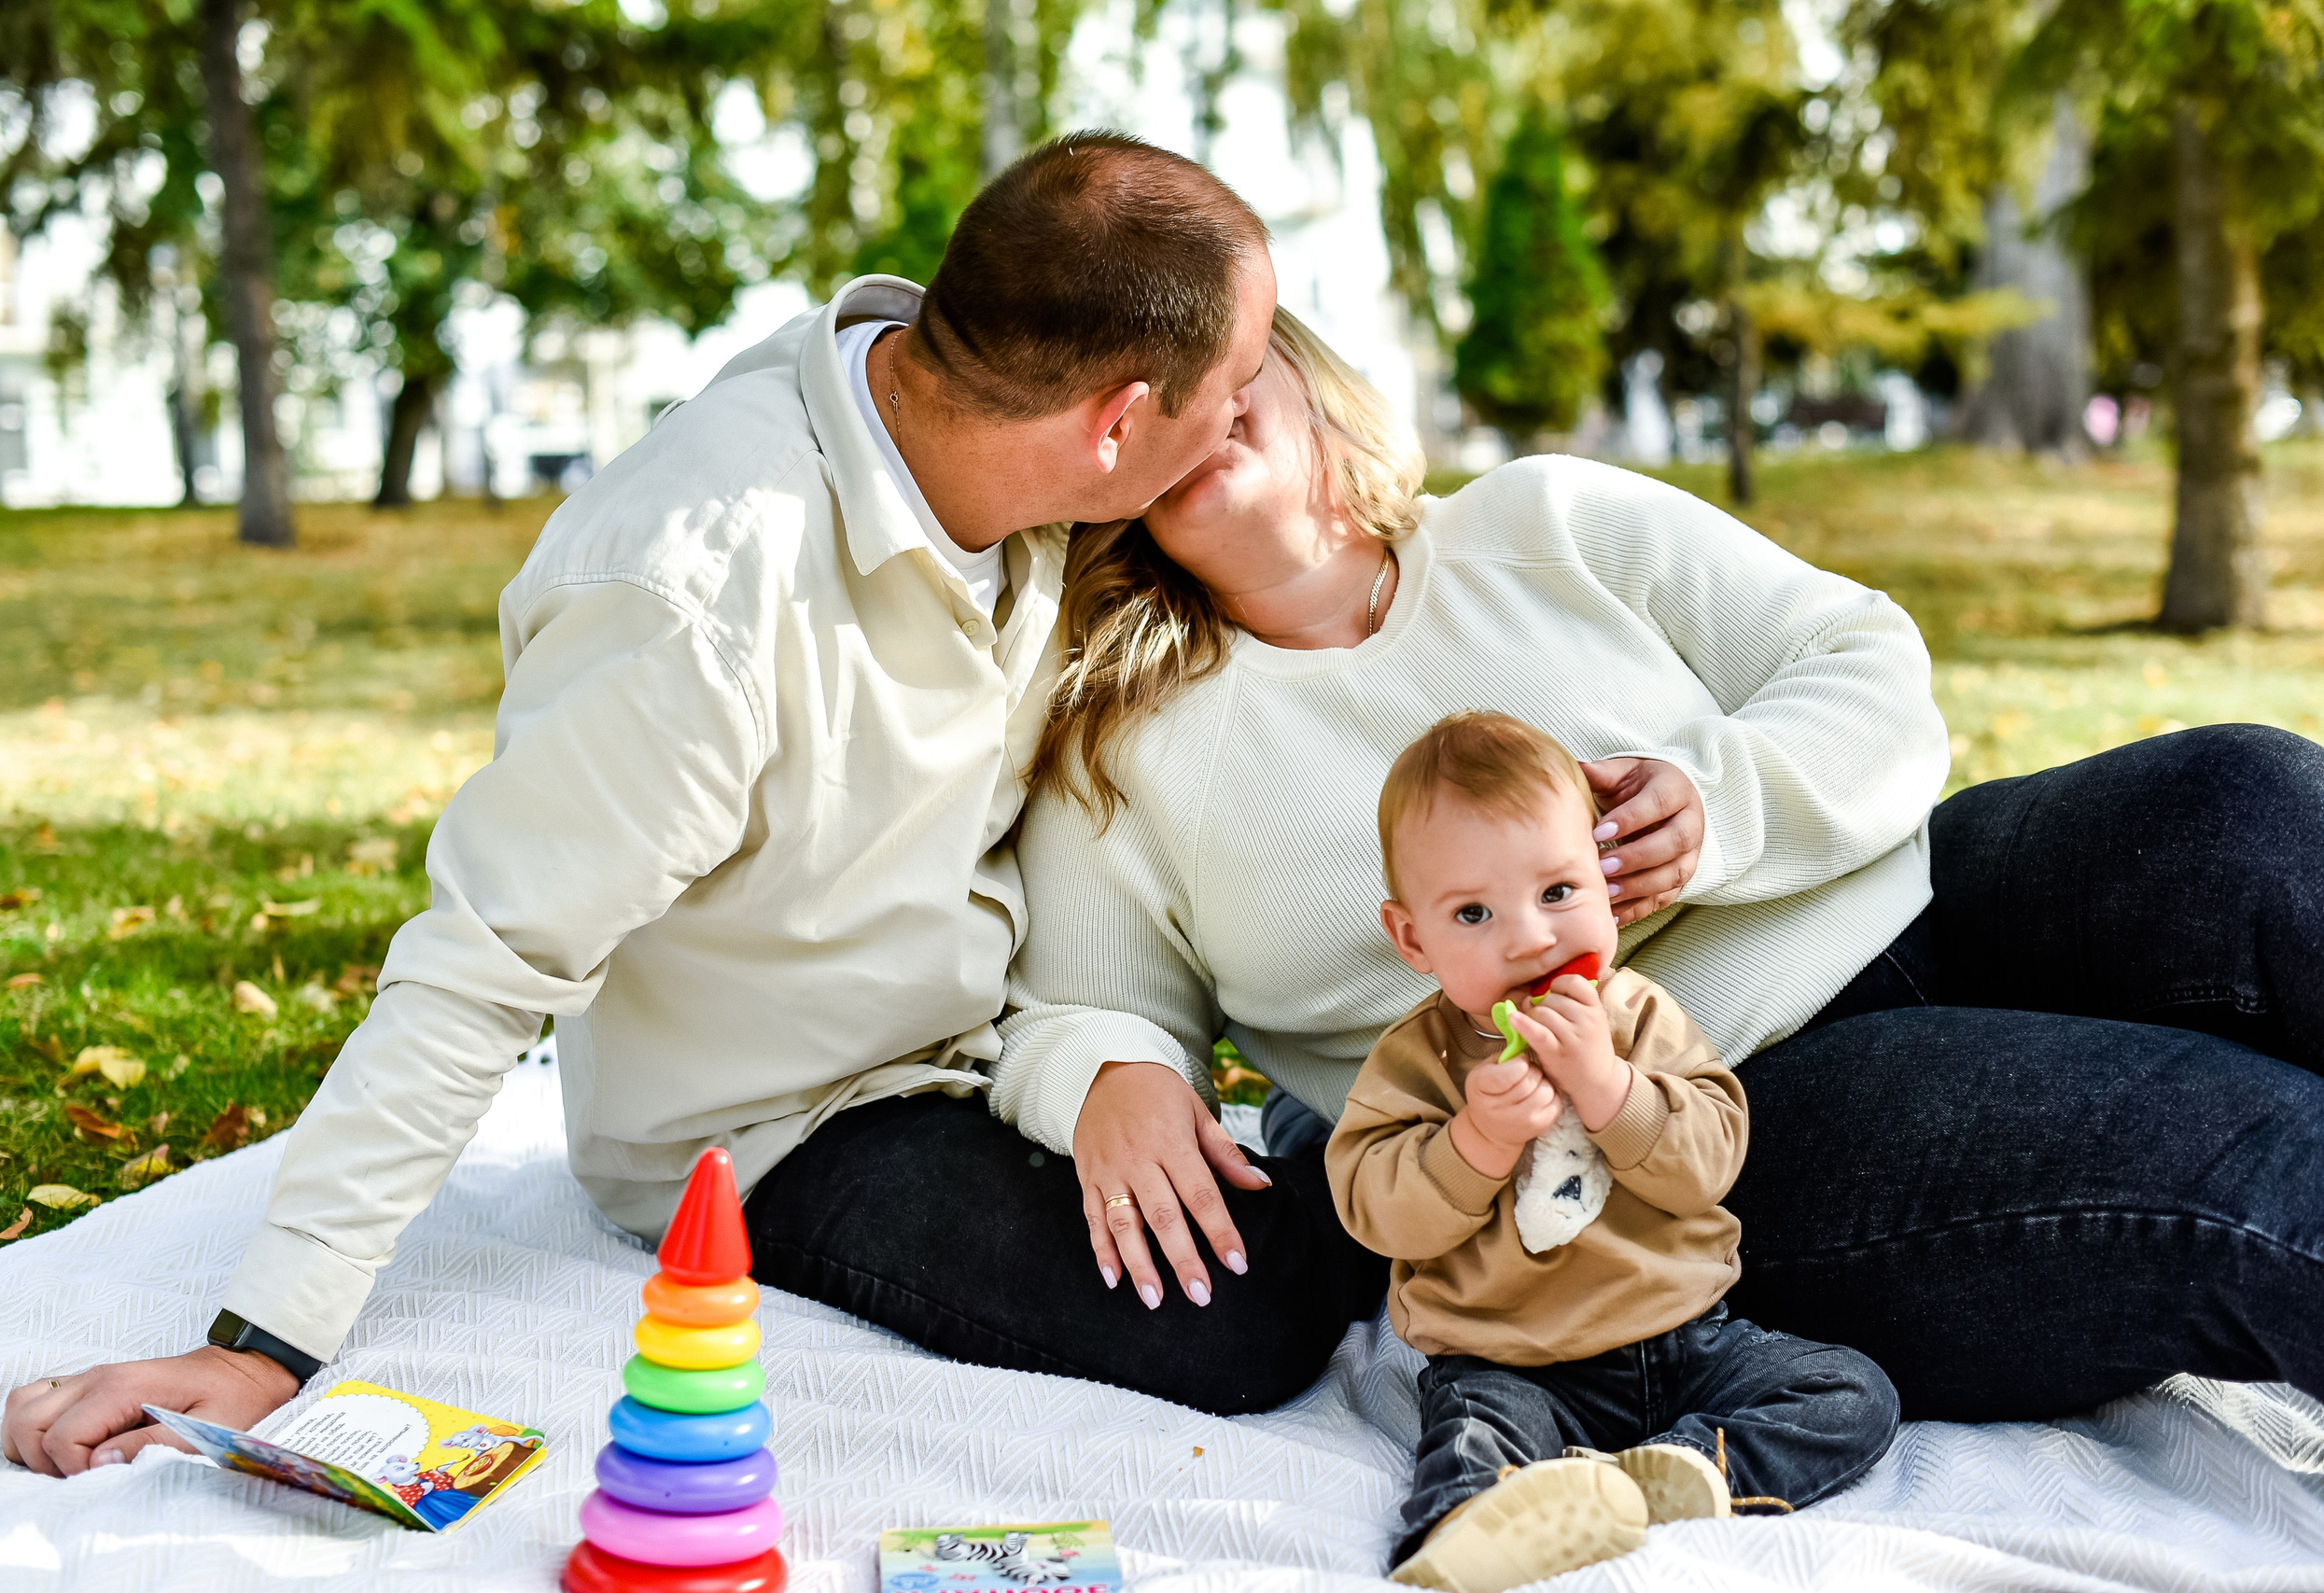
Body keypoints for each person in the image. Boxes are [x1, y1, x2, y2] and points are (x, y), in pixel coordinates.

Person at [0, 130, 1291, 1475]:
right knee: (1234, 1316)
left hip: (1010, 1033)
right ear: (1117, 424)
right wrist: (260, 1342)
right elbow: (481, 964)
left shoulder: (996, 429)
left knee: (1318, 1212)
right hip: (792, 1121)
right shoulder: (692, 602)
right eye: (1240, 385)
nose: (1252, 412)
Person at [993, 302, 2324, 1436]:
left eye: (1215, 354)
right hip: (1693, 1123)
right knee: (2257, 1158)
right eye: (1140, 391)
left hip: (1924, 893)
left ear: (1295, 364)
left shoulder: (1546, 515)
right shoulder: (1128, 742)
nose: (1190, 400)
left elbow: (1860, 655)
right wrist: (1107, 1074)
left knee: (2245, 799)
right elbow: (1078, 1007)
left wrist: (1715, 804)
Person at [1330, 712, 1894, 1592]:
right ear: (1412, 939)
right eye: (1474, 913)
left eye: (1558, 891)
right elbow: (1377, 1211)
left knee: (1852, 1392)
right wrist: (1475, 1142)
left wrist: (1610, 1090)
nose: (1529, 937)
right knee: (1473, 1440)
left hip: (1684, 1340)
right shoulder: (1417, 1061)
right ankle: (1465, 1536)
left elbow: (1709, 1162)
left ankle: (1681, 1471)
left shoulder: (1640, 1019)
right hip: (1508, 1362)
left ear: (1605, 882)